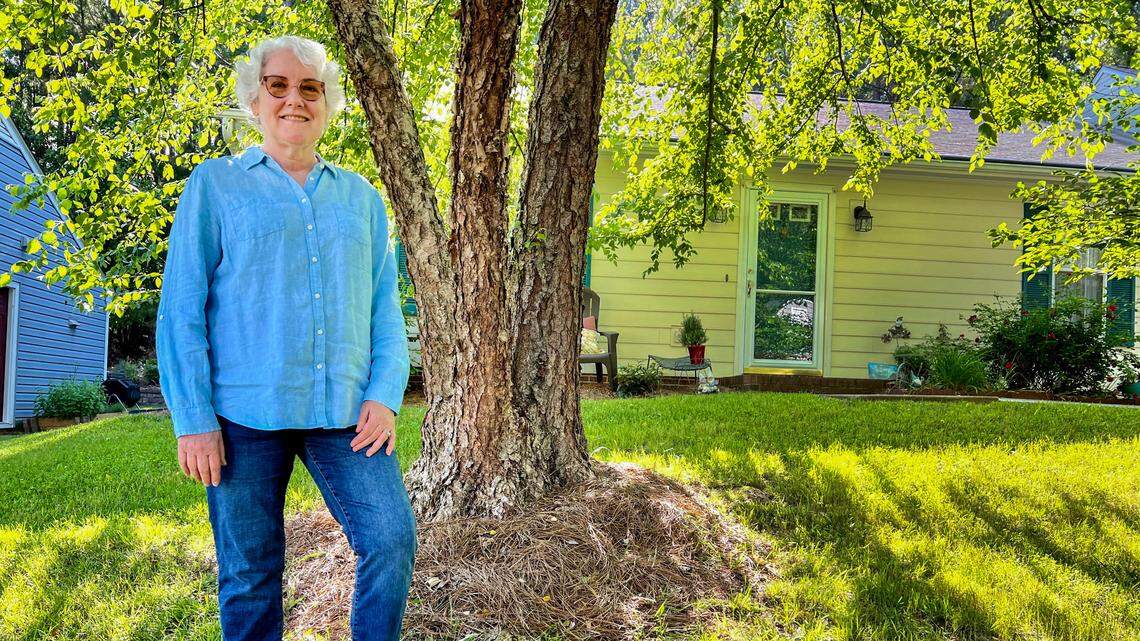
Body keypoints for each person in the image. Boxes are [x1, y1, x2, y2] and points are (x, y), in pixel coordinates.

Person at [155, 35, 416, 641]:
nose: (293, 99)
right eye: (278, 85)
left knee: (390, 539)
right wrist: (193, 419)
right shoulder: (215, 186)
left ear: (327, 105)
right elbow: (182, 308)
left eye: (309, 88)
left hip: (345, 414)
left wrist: (385, 393)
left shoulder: (362, 199)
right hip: (243, 415)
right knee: (249, 573)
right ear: (255, 99)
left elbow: (385, 307)